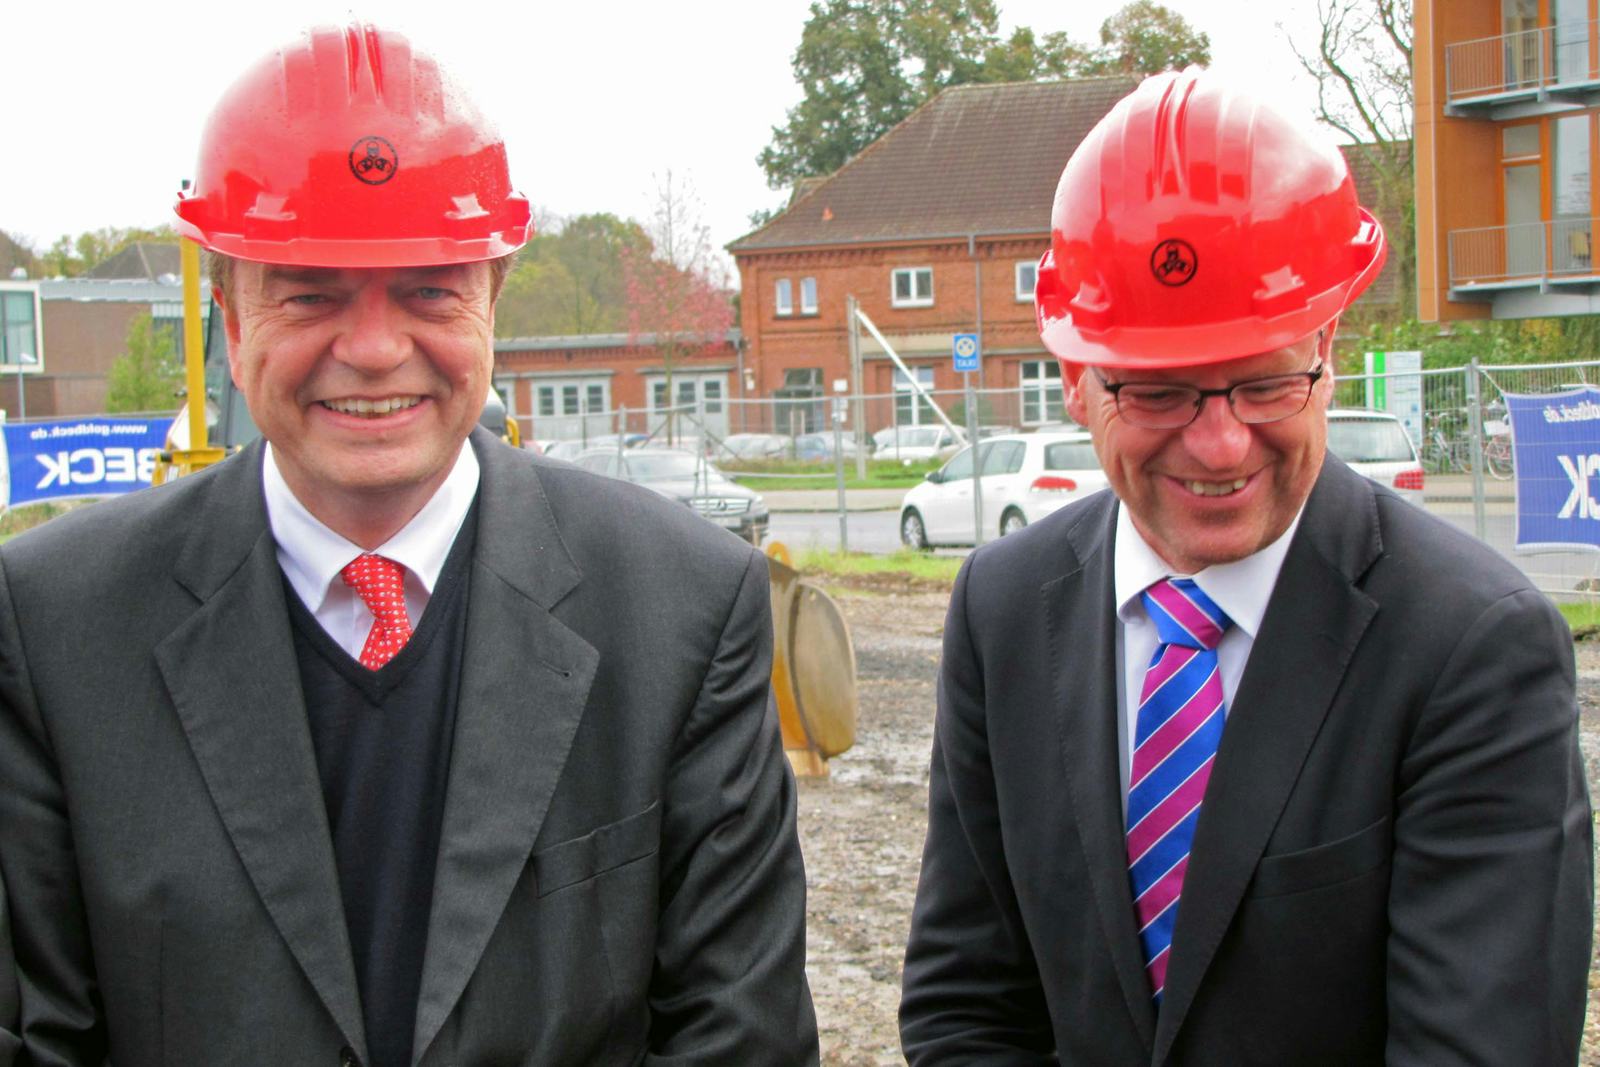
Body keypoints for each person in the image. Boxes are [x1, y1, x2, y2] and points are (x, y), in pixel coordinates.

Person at [0, 25, 817, 1066]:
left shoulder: (684, 609)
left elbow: (739, 1037)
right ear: (230, 318)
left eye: (429, 288)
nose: (377, 347)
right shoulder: (55, 625)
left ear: (492, 302)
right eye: (311, 292)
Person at [900, 67, 1592, 1066]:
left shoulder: (1471, 647)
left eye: (1266, 382)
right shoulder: (1003, 608)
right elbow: (967, 1005)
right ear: (1077, 376)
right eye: (1160, 393)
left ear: (1328, 344)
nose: (1220, 445)